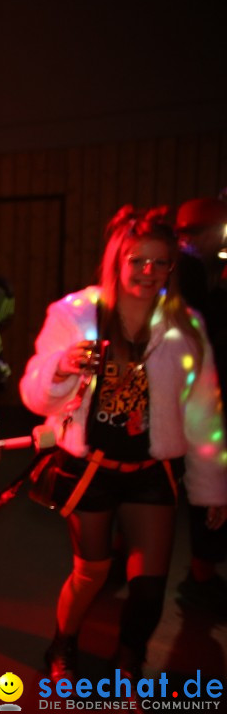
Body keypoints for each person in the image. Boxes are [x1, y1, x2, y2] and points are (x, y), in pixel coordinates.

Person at [20, 205, 227, 683]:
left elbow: (204, 412)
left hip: (150, 473)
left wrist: (212, 489)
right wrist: (64, 366)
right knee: (91, 573)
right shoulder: (76, 313)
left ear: (172, 267)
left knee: (150, 586)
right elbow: (34, 393)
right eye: (138, 261)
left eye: (160, 263)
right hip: (90, 467)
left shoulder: (186, 328)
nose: (148, 272)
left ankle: (129, 663)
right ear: (117, 260)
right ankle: (63, 643)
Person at [174, 196, 227, 616]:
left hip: (185, 388)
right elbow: (200, 329)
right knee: (202, 482)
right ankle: (201, 579)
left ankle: (119, 559)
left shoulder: (187, 266)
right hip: (193, 389)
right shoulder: (186, 268)